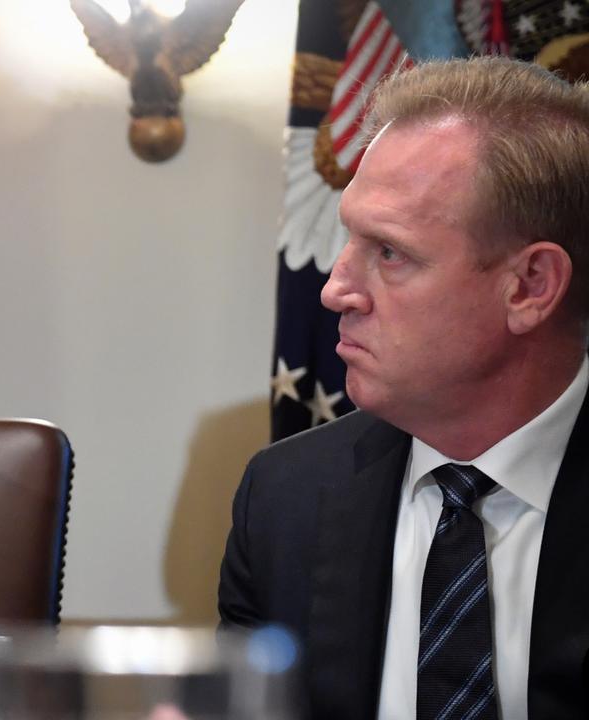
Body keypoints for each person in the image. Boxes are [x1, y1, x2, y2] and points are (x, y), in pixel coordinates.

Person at [219, 56, 589, 719]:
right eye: (348, 239)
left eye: (389, 253)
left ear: (531, 286)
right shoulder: (283, 501)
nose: (335, 289)